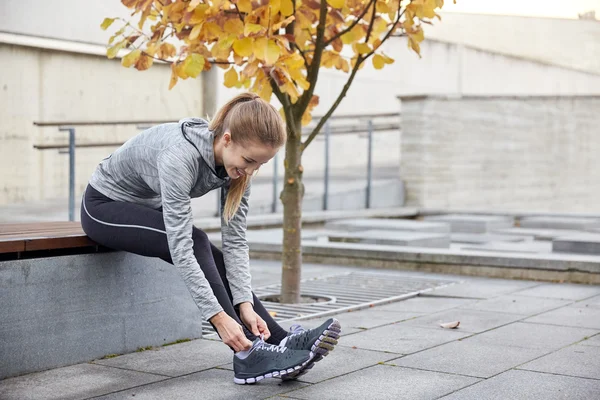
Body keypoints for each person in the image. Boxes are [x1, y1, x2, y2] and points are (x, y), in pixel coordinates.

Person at [80, 92, 341, 384]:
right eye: (249, 160)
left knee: (212, 255)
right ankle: (247, 354)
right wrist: (219, 318)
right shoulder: (179, 156)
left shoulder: (238, 167)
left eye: (260, 165)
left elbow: (235, 240)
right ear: (226, 139)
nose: (251, 170)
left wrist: (244, 303)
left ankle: (278, 339)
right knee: (197, 241)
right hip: (104, 208)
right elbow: (181, 248)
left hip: (147, 208)